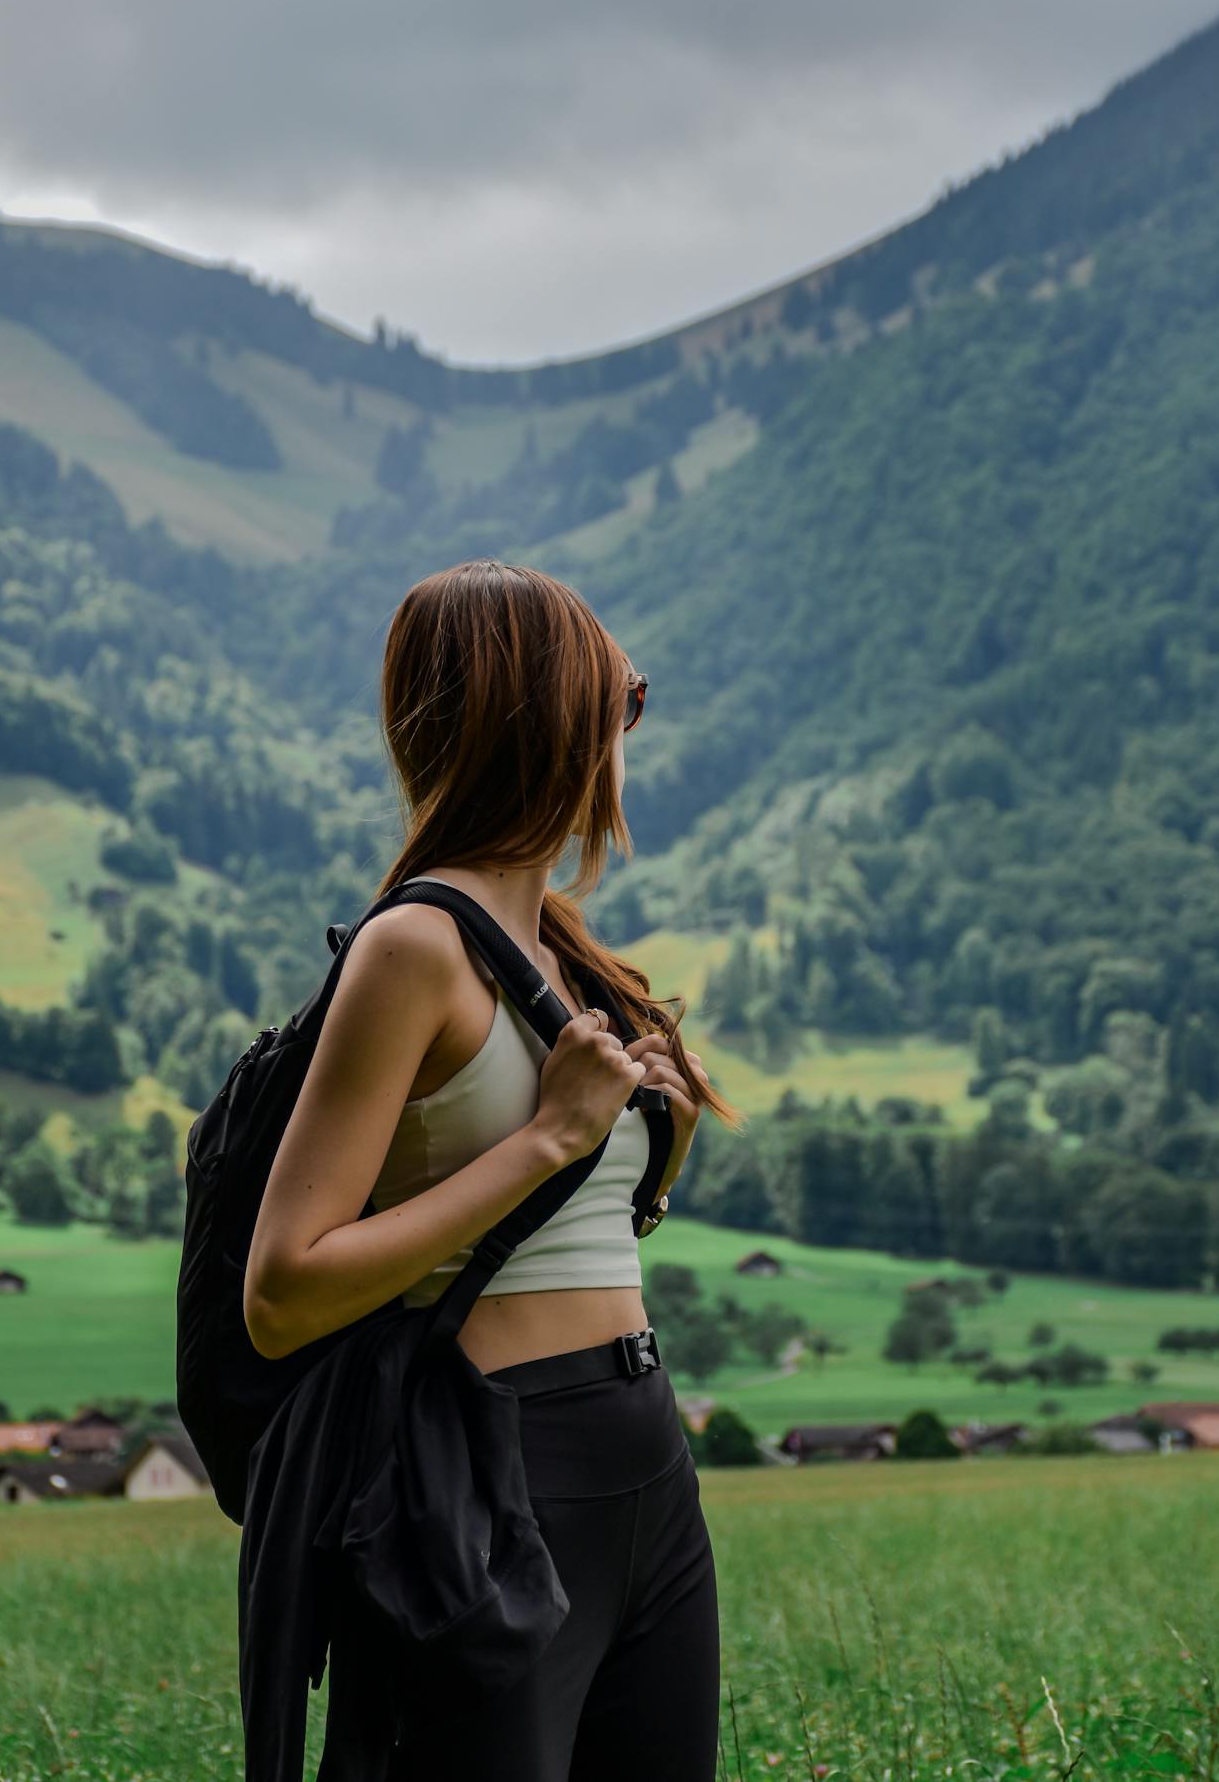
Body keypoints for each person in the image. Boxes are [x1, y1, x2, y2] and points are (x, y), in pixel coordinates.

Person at [244, 557, 743, 1782]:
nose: (629, 728)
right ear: (545, 713)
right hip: (496, 1464)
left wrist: (646, 1167)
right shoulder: (412, 947)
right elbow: (284, 1287)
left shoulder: (566, 953)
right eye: (620, 697)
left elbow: (541, 1244)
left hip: (642, 1451)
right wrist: (547, 1139)